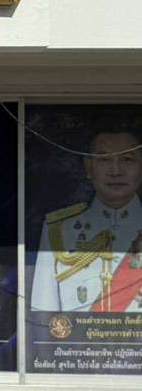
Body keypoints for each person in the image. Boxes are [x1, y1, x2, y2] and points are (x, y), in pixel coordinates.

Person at [31, 129, 142, 313]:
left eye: (127, 159)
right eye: (104, 160)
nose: (116, 171)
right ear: (89, 167)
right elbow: (44, 313)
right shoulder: (60, 230)